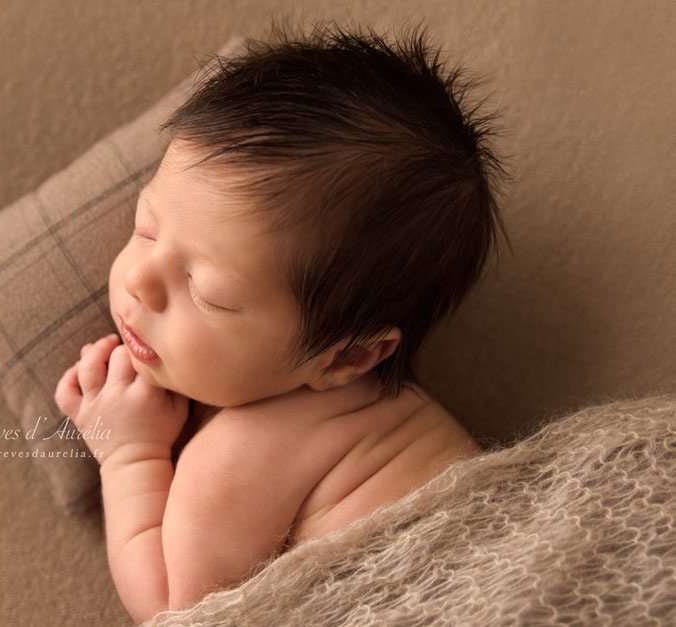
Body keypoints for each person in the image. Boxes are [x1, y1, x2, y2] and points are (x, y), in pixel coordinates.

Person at [54, 21, 509, 624]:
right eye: (147, 227)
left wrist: (129, 454)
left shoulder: (245, 445)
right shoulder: (387, 419)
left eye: (206, 291)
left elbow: (177, 608)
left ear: (347, 358)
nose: (138, 279)